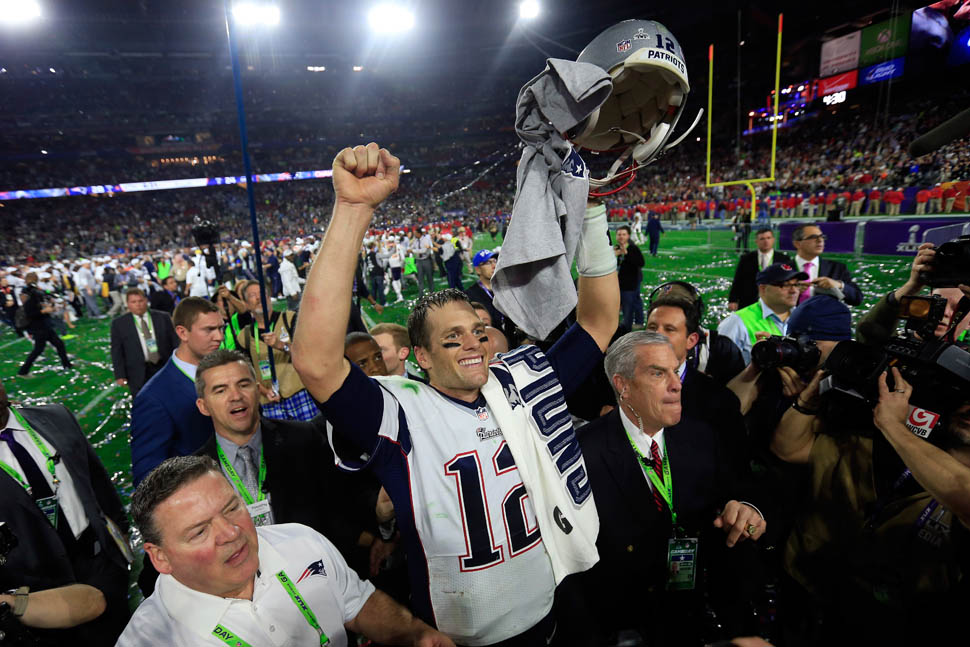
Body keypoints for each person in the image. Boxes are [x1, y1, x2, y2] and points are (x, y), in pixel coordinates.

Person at [293, 143, 619, 646]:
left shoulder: (520, 380)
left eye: (475, 330)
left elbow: (599, 321)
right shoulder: (403, 413)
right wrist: (354, 210)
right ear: (420, 357)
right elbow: (316, 361)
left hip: (551, 613)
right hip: (465, 635)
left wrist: (593, 209)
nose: (472, 343)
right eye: (451, 338)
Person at [769, 299, 968, 646]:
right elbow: (788, 448)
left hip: (902, 625)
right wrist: (809, 401)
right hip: (813, 594)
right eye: (964, 396)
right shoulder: (866, 440)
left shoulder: (910, 447)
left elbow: (960, 490)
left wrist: (895, 427)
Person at [117, 455, 455, 647]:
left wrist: (414, 633)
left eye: (232, 508)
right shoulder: (150, 641)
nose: (231, 533)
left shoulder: (300, 542)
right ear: (159, 556)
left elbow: (358, 602)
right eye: (200, 531)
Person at [573, 332, 766, 645]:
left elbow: (737, 490)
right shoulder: (583, 453)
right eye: (657, 373)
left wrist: (747, 508)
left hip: (686, 614)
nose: (677, 384)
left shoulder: (700, 436)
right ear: (622, 385)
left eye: (676, 370)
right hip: (617, 625)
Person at [0, 378, 132, 645]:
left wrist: (120, 542)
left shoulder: (57, 417)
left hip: (100, 565)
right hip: (37, 595)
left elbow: (100, 486)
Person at [130, 297, 224, 486]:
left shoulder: (225, 371)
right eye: (209, 330)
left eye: (221, 328)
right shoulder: (153, 398)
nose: (219, 337)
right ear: (182, 332)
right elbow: (147, 478)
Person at [236, 281, 317, 422]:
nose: (258, 298)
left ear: (268, 297)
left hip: (300, 394)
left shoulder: (290, 318)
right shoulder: (245, 336)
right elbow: (245, 373)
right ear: (246, 304)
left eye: (262, 294)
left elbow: (308, 354)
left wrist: (280, 345)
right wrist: (264, 391)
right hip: (270, 402)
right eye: (252, 295)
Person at [718, 263, 807, 364]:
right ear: (763, 289)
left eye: (796, 284)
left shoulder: (805, 319)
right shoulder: (736, 322)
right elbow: (721, 369)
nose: (794, 290)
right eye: (785, 285)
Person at [110, 288, 179, 396]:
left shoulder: (163, 317)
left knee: (170, 394)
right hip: (137, 370)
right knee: (143, 400)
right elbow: (117, 351)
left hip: (164, 365)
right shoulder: (119, 324)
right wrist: (119, 374)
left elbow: (175, 341)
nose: (138, 304)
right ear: (127, 304)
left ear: (146, 300)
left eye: (140, 301)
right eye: (133, 302)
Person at [790, 224, 862, 307]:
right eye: (813, 237)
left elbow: (857, 299)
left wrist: (838, 285)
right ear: (797, 244)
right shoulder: (782, 268)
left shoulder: (837, 268)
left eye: (822, 237)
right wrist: (791, 290)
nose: (820, 240)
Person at [17, 272, 73, 376]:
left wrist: (49, 305)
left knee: (58, 344)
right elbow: (30, 313)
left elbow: (42, 300)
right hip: (38, 326)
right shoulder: (28, 295)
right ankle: (23, 371)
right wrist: (44, 310)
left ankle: (67, 364)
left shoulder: (34, 293)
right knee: (39, 349)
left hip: (43, 324)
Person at [728, 228, 793, 311]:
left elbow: (789, 281)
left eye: (768, 238)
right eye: (762, 239)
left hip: (775, 301)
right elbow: (738, 279)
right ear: (756, 242)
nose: (766, 241)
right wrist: (733, 300)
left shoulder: (784, 259)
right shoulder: (746, 259)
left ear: (773, 240)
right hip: (749, 301)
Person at [464, 249, 507, 334]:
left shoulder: (506, 288)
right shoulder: (469, 296)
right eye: (488, 263)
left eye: (495, 261)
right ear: (478, 270)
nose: (494, 266)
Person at [615, 225, 645, 330]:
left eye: (623, 234)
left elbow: (641, 262)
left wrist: (626, 254)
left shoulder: (632, 248)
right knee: (632, 302)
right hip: (620, 282)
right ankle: (637, 322)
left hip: (630, 282)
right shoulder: (616, 248)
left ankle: (628, 326)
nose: (621, 237)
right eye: (619, 234)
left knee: (629, 305)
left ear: (628, 236)